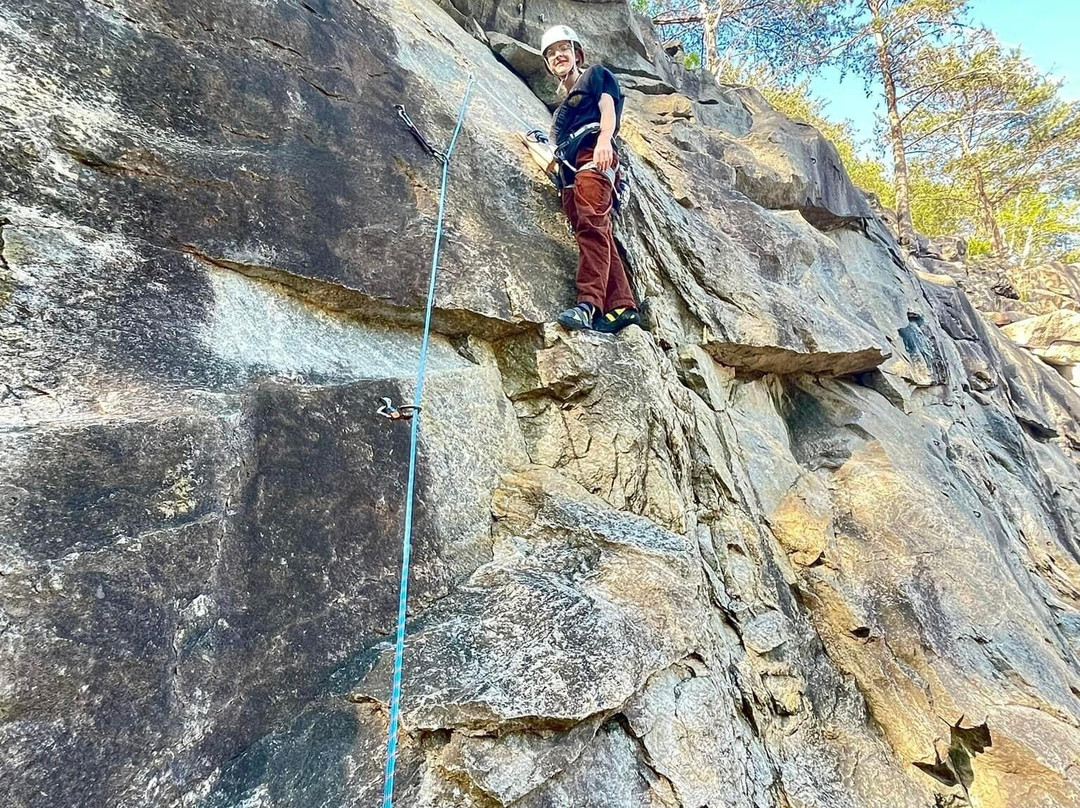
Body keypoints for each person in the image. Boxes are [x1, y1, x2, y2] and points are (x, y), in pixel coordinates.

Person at [541, 25, 641, 334]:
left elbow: (607, 110)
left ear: (577, 53)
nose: (558, 55)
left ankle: (588, 305)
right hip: (570, 170)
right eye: (551, 53)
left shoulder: (596, 76)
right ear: (548, 64)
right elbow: (554, 148)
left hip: (593, 155)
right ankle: (622, 305)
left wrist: (604, 141)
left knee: (591, 226)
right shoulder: (560, 113)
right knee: (596, 230)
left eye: (564, 49)